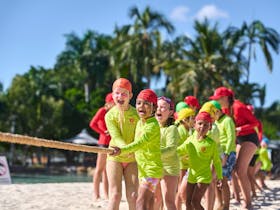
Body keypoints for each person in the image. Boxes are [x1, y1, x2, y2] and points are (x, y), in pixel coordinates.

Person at [110, 89, 163, 210]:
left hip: (152, 171)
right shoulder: (140, 123)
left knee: (140, 203)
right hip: (143, 170)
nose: (141, 106)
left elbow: (140, 143)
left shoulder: (152, 126)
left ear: (154, 108)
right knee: (148, 205)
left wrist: (122, 150)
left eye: (146, 104)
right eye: (139, 103)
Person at [210, 86, 260, 209]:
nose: (217, 101)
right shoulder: (224, 110)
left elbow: (256, 123)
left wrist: (240, 129)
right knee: (234, 170)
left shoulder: (239, 107)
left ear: (226, 98)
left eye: (218, 98)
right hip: (239, 140)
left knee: (241, 170)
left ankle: (248, 203)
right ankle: (236, 198)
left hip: (250, 138)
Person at [105, 78, 139, 210]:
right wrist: (126, 148)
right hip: (115, 157)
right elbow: (116, 137)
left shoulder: (137, 114)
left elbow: (140, 135)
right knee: (115, 195)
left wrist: (132, 149)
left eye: (124, 93)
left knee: (133, 195)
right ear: (113, 95)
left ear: (130, 96)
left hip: (133, 159)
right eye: (117, 93)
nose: (120, 96)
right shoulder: (109, 116)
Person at [177, 111, 223, 210]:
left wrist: (219, 176)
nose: (202, 126)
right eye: (200, 123)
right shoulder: (190, 139)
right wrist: (167, 152)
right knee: (188, 202)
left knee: (195, 201)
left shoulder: (211, 144)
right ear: (194, 125)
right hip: (191, 175)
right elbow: (180, 150)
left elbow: (217, 162)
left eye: (206, 125)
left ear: (210, 127)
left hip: (204, 176)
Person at [154, 96, 180, 210]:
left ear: (170, 113)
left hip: (169, 168)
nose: (159, 109)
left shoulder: (172, 129)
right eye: (157, 106)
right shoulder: (152, 127)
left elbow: (171, 149)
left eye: (163, 107)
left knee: (168, 201)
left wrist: (154, 153)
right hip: (155, 167)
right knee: (156, 199)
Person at [210, 100, 236, 210]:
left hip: (228, 153)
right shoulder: (215, 123)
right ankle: (219, 203)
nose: (212, 115)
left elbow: (231, 137)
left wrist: (226, 154)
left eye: (213, 112)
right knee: (215, 180)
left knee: (224, 180)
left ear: (219, 111)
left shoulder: (227, 120)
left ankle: (226, 206)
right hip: (218, 154)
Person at [89, 92, 115, 201]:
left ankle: (106, 194)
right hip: (103, 143)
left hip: (112, 143)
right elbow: (92, 124)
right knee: (99, 169)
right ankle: (96, 194)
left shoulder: (115, 113)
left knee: (106, 171)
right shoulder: (102, 111)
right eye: (113, 102)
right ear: (108, 102)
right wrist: (103, 132)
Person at [174, 107, 195, 210]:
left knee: (183, 190)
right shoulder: (180, 130)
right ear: (185, 120)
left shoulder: (189, 130)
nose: (194, 120)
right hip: (182, 164)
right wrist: (185, 155)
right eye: (192, 118)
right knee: (180, 190)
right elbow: (176, 148)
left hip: (187, 163)